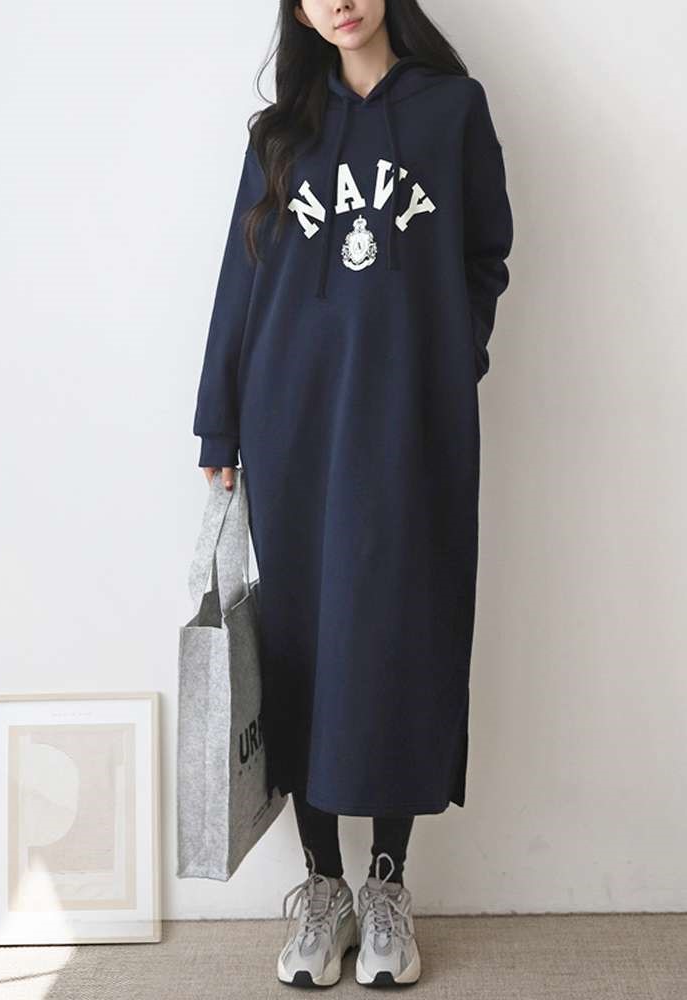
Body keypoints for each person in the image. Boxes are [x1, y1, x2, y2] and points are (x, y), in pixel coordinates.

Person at [192, 0, 513, 987]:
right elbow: (242, 279)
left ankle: (387, 885)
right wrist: (220, 422)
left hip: (413, 424)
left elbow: (485, 254)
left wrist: (450, 356)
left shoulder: (452, 111)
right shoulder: (281, 132)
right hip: (295, 423)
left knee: (399, 638)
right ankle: (322, 884)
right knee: (305, 646)